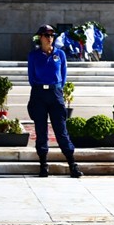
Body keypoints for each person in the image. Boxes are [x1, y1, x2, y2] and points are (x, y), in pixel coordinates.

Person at [28, 24, 82, 178]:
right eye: (46, 35)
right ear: (40, 37)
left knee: (61, 130)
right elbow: (31, 77)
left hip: (55, 93)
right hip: (39, 93)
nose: (50, 38)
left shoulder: (60, 55)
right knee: (41, 130)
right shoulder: (33, 55)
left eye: (52, 36)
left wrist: (57, 89)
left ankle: (72, 164)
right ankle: (43, 165)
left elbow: (63, 75)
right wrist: (40, 88)